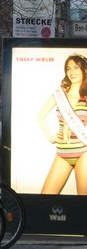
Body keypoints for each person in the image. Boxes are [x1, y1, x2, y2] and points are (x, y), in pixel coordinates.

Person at [37, 54, 87, 195]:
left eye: (76, 67)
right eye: (68, 68)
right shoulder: (59, 93)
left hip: (84, 152)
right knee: (45, 198)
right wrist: (51, 137)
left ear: (84, 70)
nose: (72, 72)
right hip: (63, 153)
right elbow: (41, 116)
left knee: (83, 204)